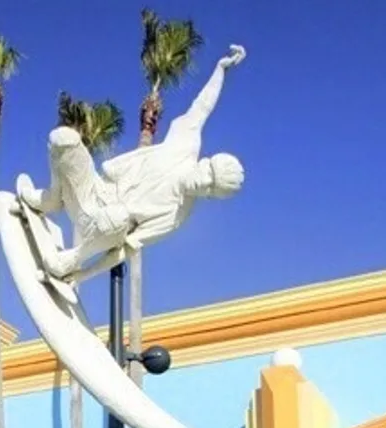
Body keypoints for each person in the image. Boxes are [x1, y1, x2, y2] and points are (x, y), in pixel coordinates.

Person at [17, 44, 247, 280]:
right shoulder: (184, 145)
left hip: (100, 229)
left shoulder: (176, 214)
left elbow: (126, 248)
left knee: (118, 217)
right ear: (205, 162)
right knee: (63, 139)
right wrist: (221, 69)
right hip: (93, 193)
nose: (204, 184)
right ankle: (54, 198)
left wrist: (84, 274)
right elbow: (202, 107)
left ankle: (71, 260)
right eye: (209, 175)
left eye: (210, 189)